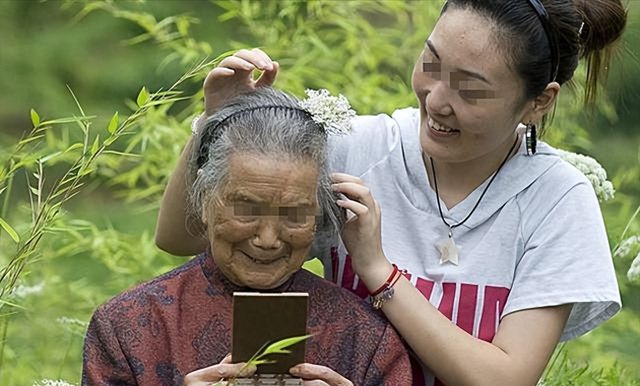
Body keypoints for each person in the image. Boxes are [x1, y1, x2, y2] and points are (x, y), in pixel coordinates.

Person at [155, 1, 628, 385]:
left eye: (470, 89)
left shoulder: (557, 199)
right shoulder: (353, 147)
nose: (437, 99)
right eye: (431, 64)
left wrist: (378, 271)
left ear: (538, 101)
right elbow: (182, 236)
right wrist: (214, 123)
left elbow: (503, 378)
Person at [82, 87, 412, 386]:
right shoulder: (128, 327)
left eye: (294, 215)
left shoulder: (366, 341)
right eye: (246, 210)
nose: (268, 239)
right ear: (204, 199)